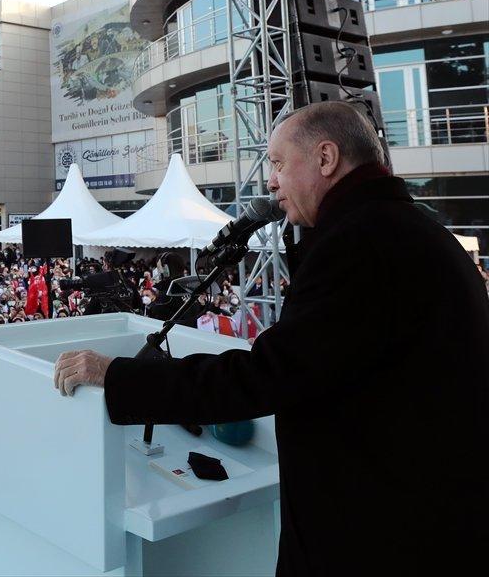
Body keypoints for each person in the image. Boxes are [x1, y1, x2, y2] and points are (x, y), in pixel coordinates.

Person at [53, 102, 489, 576]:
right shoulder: (413, 231)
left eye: (279, 164)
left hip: (379, 535)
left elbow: (267, 376)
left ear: (326, 158)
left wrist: (117, 375)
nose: (271, 182)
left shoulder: (358, 245)